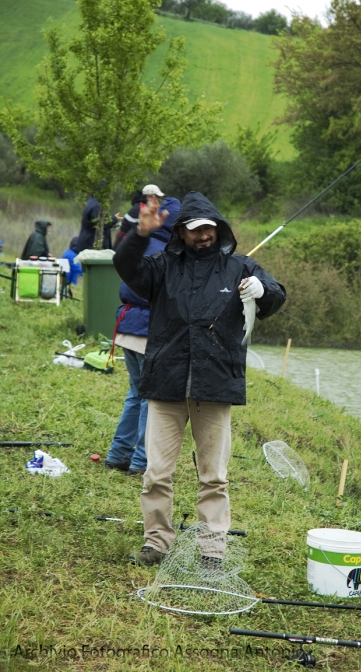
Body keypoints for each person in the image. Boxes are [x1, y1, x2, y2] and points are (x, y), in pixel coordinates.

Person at [113, 191, 286, 566]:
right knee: (157, 473)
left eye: (209, 228)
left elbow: (277, 297)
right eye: (194, 230)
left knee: (214, 476)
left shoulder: (240, 267)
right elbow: (125, 267)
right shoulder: (161, 266)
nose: (203, 235)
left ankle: (212, 549)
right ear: (181, 233)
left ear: (218, 228)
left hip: (216, 386)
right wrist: (139, 235)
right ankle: (156, 542)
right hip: (166, 385)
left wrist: (264, 290)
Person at [104, 194, 181, 476]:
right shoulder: (166, 252)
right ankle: (141, 462)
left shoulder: (141, 242)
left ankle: (117, 455)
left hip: (127, 328)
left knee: (136, 394)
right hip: (148, 332)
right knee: (151, 398)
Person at [113, 184, 165, 250]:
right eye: (157, 197)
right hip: (124, 247)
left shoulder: (142, 207)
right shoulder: (140, 209)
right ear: (148, 197)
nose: (159, 200)